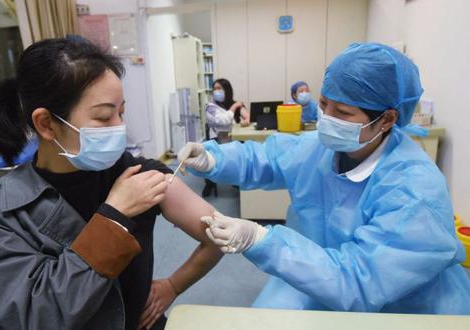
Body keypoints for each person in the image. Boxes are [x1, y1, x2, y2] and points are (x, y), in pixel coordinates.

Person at [178, 43, 470, 314]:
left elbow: (360, 281)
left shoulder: (415, 190)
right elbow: (266, 158)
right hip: (319, 270)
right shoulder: (322, 147)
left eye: (342, 111)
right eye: (324, 103)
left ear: (387, 119)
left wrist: (262, 239)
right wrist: (213, 158)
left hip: (403, 304)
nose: (326, 118)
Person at [0, 37, 223, 330]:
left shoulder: (139, 175)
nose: (118, 128)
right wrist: (115, 216)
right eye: (104, 117)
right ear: (46, 123)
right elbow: (39, 318)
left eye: (121, 113)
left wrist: (172, 285)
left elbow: (220, 236)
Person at [201, 78, 250, 197]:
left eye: (220, 88)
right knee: (209, 155)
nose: (217, 91)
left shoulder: (235, 103)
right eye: (215, 89)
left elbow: (247, 116)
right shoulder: (211, 107)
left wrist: (247, 120)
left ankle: (237, 179)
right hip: (217, 140)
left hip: (234, 139)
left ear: (227, 90)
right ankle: (210, 183)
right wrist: (234, 108)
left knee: (245, 152)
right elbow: (223, 121)